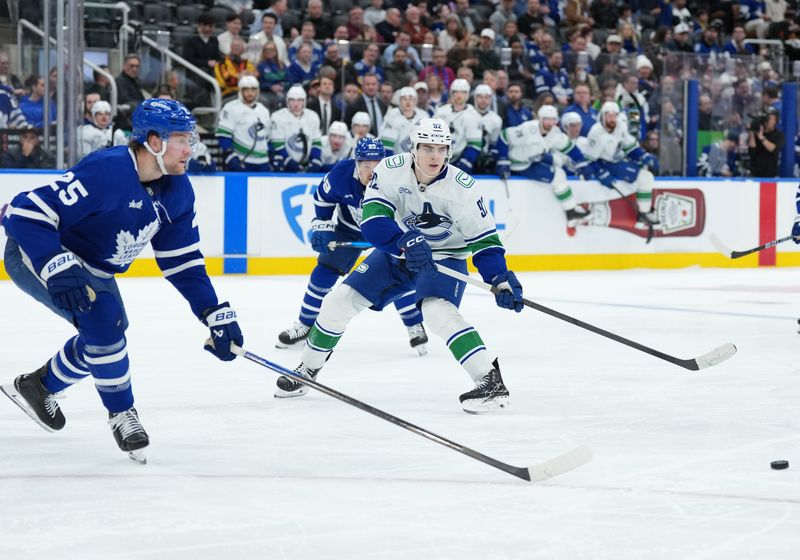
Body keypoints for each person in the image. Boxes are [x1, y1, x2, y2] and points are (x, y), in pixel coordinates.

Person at [0, 99, 244, 463]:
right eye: (181, 139)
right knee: (104, 321)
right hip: (36, 251)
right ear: (154, 141)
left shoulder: (178, 191)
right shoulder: (108, 171)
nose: (189, 148)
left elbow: (183, 262)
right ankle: (121, 413)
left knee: (108, 329)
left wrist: (212, 310)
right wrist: (53, 262)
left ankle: (39, 386)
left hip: (94, 267)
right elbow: (23, 212)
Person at [274, 118, 523, 413]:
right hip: (398, 249)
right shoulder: (389, 171)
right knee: (338, 302)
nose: (434, 156)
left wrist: (499, 277)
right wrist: (402, 243)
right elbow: (373, 219)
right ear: (413, 147)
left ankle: (489, 381)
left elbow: (485, 243)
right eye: (427, 148)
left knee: (435, 311)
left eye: (441, 149)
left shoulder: (464, 190)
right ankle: (308, 371)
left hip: (444, 257)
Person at [275, 136, 429, 353]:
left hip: (388, 233)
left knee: (399, 275)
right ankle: (305, 325)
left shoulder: (397, 178)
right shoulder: (341, 174)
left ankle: (414, 325)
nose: (372, 172)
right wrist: (321, 225)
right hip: (349, 229)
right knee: (322, 274)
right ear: (356, 163)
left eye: (377, 165)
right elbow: (322, 199)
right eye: (366, 165)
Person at [496, 105, 593, 225]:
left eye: (553, 119)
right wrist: (503, 159)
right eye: (547, 119)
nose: (550, 123)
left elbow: (570, 148)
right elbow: (504, 136)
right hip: (517, 164)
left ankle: (571, 211)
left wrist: (581, 163)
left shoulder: (555, 134)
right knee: (558, 175)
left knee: (559, 173)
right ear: (540, 119)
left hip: (530, 163)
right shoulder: (527, 128)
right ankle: (571, 211)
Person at [582, 101, 659, 227]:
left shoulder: (621, 126)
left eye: (615, 115)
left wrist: (643, 155)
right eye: (609, 116)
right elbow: (588, 160)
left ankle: (643, 214)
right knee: (645, 178)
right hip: (602, 164)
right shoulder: (596, 133)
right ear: (603, 116)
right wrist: (599, 172)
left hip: (615, 163)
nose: (612, 119)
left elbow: (629, 146)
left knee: (646, 177)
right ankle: (643, 213)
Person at [216, 75, 271, 171]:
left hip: (263, 162)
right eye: (246, 90)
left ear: (257, 91)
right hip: (242, 160)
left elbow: (267, 137)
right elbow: (223, 135)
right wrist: (230, 155)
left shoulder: (264, 110)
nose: (250, 93)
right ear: (240, 91)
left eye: (253, 90)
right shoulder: (230, 108)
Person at [433, 79, 482, 173]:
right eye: (456, 92)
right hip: (438, 158)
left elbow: (474, 145)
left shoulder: (474, 116)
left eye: (463, 92)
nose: (459, 95)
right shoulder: (440, 112)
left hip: (459, 159)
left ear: (467, 94)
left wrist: (465, 162)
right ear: (451, 93)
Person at [269, 85, 322, 172]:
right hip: (285, 162)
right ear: (287, 101)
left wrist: (314, 159)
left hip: (306, 163)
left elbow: (316, 142)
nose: (296, 104)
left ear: (304, 101)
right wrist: (289, 161)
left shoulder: (313, 116)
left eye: (299, 100)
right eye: (292, 100)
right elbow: (277, 145)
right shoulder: (278, 116)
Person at [379, 86, 428, 156]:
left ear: (415, 101)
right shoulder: (391, 116)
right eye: (404, 99)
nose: (408, 102)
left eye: (411, 99)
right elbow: (385, 142)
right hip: (396, 158)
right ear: (400, 101)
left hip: (418, 159)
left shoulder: (423, 116)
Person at [473, 84, 503, 174]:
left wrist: (491, 156)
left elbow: (493, 143)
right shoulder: (466, 115)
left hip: (484, 159)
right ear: (475, 98)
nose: (483, 100)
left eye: (487, 97)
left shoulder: (496, 119)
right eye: (480, 97)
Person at [747, 107, 784, 178]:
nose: (768, 121)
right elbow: (752, 151)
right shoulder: (757, 133)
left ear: (776, 121)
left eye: (771, 118)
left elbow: (773, 149)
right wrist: (752, 132)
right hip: (754, 173)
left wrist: (761, 138)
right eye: (767, 118)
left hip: (770, 174)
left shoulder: (779, 135)